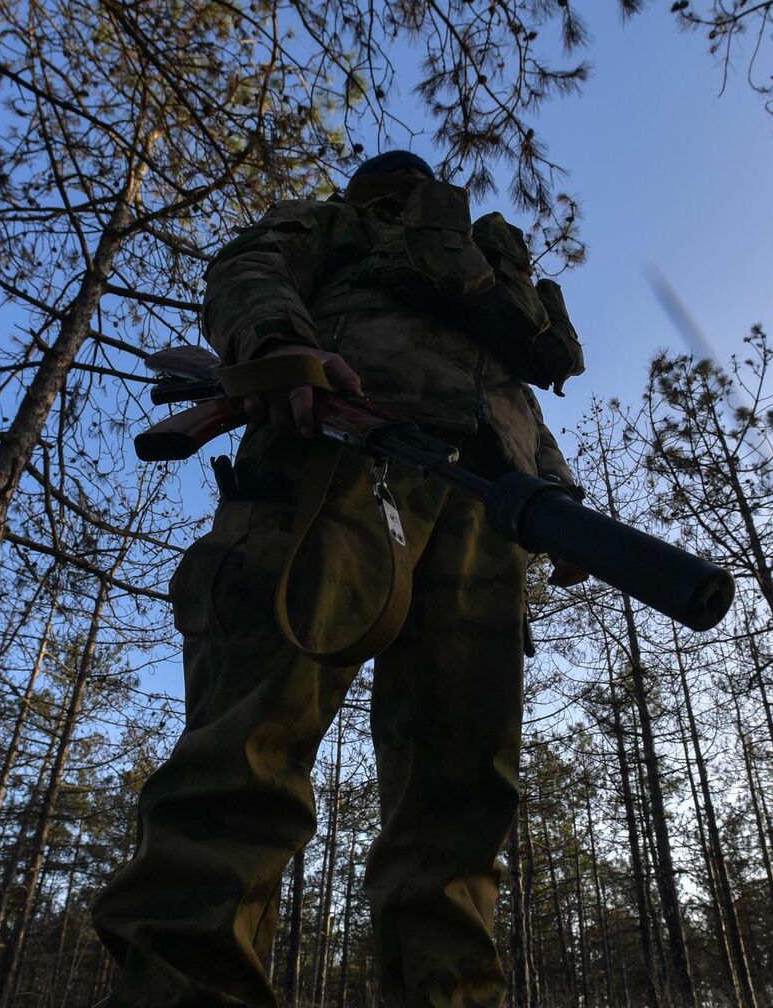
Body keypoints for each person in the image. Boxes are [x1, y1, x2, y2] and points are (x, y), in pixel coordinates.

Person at [92, 150, 585, 1006]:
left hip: (488, 506)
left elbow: (510, 397)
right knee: (250, 747)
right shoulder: (333, 224)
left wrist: (560, 494)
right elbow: (248, 270)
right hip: (335, 454)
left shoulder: (477, 278)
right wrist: (280, 343)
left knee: (462, 794)